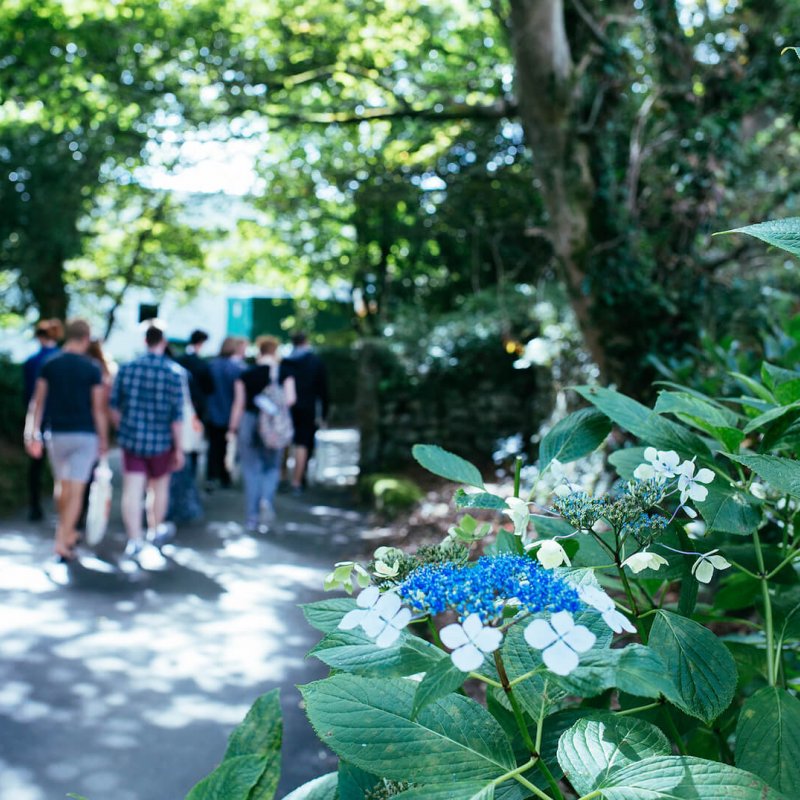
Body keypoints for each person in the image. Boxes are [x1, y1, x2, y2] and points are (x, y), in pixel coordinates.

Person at [23, 319, 108, 561]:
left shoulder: (50, 365)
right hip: (84, 435)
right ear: (85, 338)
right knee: (77, 490)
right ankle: (64, 537)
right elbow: (98, 409)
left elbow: (36, 403)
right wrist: (103, 439)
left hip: (56, 434)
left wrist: (31, 433)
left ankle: (65, 534)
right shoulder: (92, 368)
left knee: (62, 486)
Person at [110, 323, 184, 557]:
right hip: (162, 442)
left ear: (145, 341)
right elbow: (177, 417)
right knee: (159, 488)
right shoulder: (173, 373)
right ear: (164, 342)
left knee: (132, 491)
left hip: (132, 440)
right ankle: (154, 530)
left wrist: (122, 427)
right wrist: (179, 448)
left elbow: (113, 406)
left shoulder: (127, 369)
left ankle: (135, 538)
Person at [228, 336, 296, 532]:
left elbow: (239, 404)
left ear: (259, 351)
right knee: (272, 466)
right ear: (275, 351)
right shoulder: (284, 373)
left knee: (251, 470)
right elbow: (290, 399)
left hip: (250, 422)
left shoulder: (246, 374)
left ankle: (252, 516)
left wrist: (232, 429)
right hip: (274, 425)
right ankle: (266, 499)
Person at [22, 319, 63, 521]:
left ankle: (35, 507)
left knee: (35, 466)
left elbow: (29, 396)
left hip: (37, 418)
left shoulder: (31, 362)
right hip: (58, 420)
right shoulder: (60, 359)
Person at [281, 331, 329, 494]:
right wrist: (324, 413)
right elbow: (323, 389)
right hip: (307, 408)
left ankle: (282, 477)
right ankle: (297, 481)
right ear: (306, 341)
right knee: (302, 443)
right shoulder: (315, 361)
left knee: (285, 441)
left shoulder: (285, 362)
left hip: (286, 409)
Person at [205, 335, 246, 489]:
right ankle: (224, 476)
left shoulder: (211, 366)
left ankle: (212, 475)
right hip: (230, 413)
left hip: (213, 412)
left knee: (213, 447)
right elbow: (240, 396)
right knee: (226, 447)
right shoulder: (238, 368)